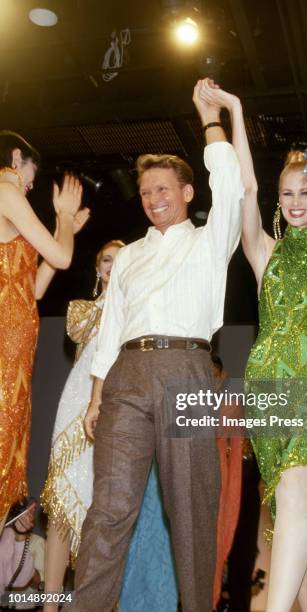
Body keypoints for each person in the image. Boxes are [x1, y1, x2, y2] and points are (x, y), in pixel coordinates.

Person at [67, 79, 244, 612]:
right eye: (146, 192)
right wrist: (97, 396)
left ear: (188, 192)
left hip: (188, 371)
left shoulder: (212, 239)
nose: (154, 199)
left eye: (164, 189)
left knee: (191, 510)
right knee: (109, 509)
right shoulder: (128, 258)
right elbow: (110, 330)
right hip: (126, 375)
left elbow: (231, 184)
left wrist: (211, 118)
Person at [199, 84, 307, 612]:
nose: (295, 202)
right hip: (270, 384)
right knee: (296, 506)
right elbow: (245, 189)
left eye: (306, 193)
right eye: (288, 193)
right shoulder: (263, 251)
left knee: (295, 493)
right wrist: (236, 110)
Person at [41, 239, 177, 612]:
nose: (113, 266)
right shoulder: (83, 311)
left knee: (110, 511)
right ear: (98, 268)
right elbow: (83, 334)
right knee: (63, 506)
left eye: (121, 261)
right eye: (106, 260)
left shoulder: (141, 316)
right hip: (76, 406)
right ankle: (50, 604)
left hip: (119, 413)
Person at [0, 131, 85, 531]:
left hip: (15, 344)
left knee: (9, 442)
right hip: (5, 342)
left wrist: (65, 228)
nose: (32, 181)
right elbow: (63, 256)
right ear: (17, 157)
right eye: (32, 170)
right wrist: (64, 217)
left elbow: (32, 287)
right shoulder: (5, 187)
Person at [0, 498, 45, 610]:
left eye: (31, 513)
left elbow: (38, 583)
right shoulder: (4, 538)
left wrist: (21, 537)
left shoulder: (38, 542)